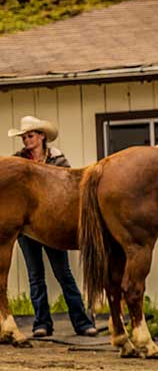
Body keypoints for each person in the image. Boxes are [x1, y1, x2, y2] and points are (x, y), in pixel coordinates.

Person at [8, 116, 98, 339]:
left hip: (52, 223)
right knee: (35, 275)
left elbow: (67, 187)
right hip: (27, 225)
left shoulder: (58, 161)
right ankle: (42, 323)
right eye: (24, 137)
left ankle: (81, 322)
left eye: (29, 136)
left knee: (63, 274)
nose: (26, 140)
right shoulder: (17, 162)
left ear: (41, 137)